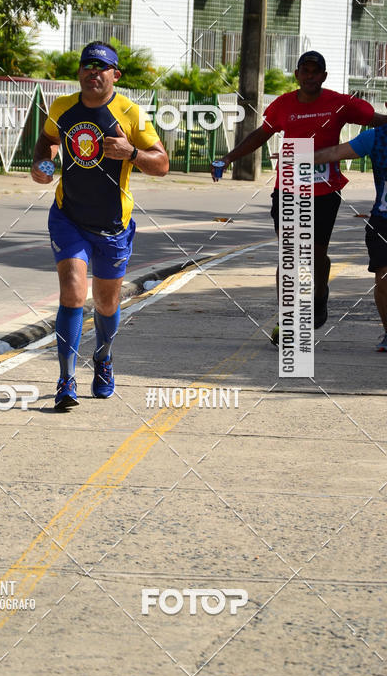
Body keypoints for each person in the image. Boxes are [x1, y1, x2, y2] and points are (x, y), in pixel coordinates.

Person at [212, 50, 387, 342]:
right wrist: (228, 158)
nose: (309, 76)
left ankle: (319, 292)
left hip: (326, 192)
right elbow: (260, 135)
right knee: (290, 257)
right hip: (288, 189)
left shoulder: (340, 104)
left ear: (324, 76)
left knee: (316, 256)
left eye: (315, 71)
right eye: (304, 71)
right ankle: (288, 321)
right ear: (297, 75)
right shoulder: (283, 105)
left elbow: (377, 120)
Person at [31, 41, 169, 410]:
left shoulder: (130, 113)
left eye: (102, 66)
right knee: (73, 293)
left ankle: (104, 359)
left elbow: (162, 163)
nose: (93, 71)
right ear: (79, 72)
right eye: (87, 65)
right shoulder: (62, 108)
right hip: (68, 216)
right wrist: (43, 165)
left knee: (106, 304)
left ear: (115, 75)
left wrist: (132, 153)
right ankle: (65, 380)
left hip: (112, 224)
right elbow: (46, 141)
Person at [314, 128, 387, 351]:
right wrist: (297, 157)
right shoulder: (376, 137)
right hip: (383, 219)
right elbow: (335, 152)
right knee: (383, 280)